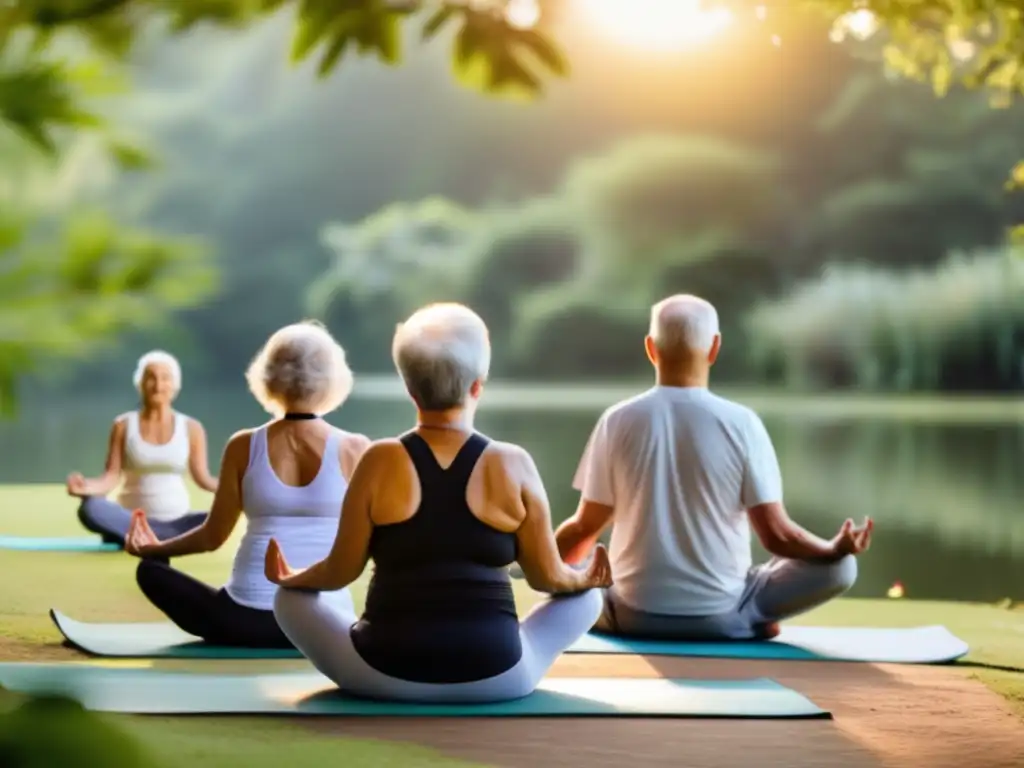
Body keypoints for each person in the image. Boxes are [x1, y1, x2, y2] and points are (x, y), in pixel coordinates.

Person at [267, 303, 611, 702]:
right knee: (589, 598)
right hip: (498, 678)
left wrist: (294, 577)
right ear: (478, 385)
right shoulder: (513, 462)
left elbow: (338, 572)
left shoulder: (379, 459)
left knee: (287, 599)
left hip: (381, 675)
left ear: (410, 389)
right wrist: (585, 578)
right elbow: (547, 578)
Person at [554, 294, 873, 641]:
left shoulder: (616, 420)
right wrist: (832, 550)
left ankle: (599, 608)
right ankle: (753, 618)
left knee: (565, 567)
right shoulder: (743, 423)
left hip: (630, 616)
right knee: (843, 567)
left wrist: (542, 563)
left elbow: (586, 528)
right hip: (723, 617)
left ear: (650, 348)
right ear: (714, 348)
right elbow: (778, 537)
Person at [123, 321, 368, 648]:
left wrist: (157, 550)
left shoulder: (244, 445)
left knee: (150, 571)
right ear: (333, 378)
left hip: (241, 621)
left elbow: (213, 537)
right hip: (324, 626)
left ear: (268, 376)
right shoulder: (356, 448)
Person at [66, 351, 217, 545]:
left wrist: (239, 490)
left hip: (176, 522)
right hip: (129, 520)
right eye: (151, 378)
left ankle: (146, 536)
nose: (158, 385)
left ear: (175, 385)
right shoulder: (123, 425)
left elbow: (203, 479)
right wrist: (85, 487)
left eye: (165, 378)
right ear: (140, 384)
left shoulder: (191, 428)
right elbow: (110, 477)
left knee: (215, 519)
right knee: (91, 507)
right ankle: (145, 535)